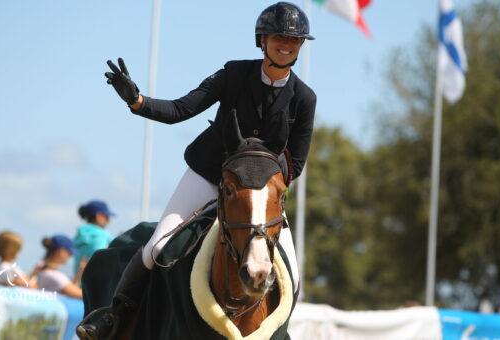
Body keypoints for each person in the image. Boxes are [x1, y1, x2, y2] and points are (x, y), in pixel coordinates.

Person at [77, 2, 316, 338]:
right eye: (280, 36)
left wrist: (258, 188)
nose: (287, 44)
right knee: (157, 246)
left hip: (259, 194)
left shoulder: (304, 98)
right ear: (262, 39)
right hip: (209, 174)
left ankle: (277, 333)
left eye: (295, 40)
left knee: (292, 274)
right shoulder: (234, 74)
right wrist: (138, 101)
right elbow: (181, 108)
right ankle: (113, 318)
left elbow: (298, 161)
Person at [34, 234, 83, 299]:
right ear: (61, 251)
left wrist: (80, 274)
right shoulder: (53, 275)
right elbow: (81, 294)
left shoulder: (40, 270)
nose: (70, 257)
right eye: (70, 253)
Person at [73, 200, 115, 276]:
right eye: (107, 216)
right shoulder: (102, 235)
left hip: (78, 284)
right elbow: (102, 261)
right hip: (96, 285)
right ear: (99, 216)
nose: (109, 220)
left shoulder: (78, 236)